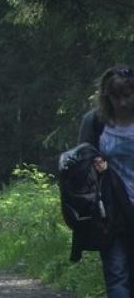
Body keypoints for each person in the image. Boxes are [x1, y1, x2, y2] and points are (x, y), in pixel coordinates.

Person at [78, 65, 134, 298]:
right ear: (106, 96)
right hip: (111, 210)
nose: (122, 102)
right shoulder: (96, 123)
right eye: (115, 96)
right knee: (117, 274)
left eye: (127, 95)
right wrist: (94, 165)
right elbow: (80, 163)